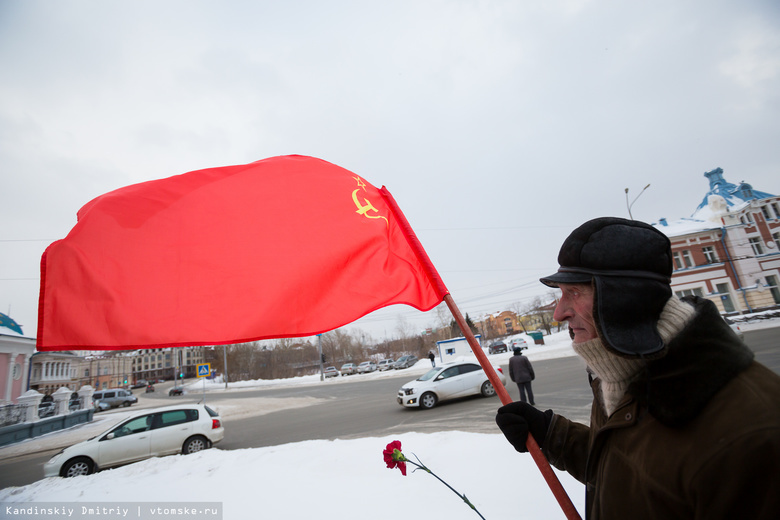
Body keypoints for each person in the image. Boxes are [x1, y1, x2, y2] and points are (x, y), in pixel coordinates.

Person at [495, 217, 780, 519]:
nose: (558, 313)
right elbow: (625, 468)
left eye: (574, 293)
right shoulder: (619, 375)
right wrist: (553, 435)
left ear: (624, 300)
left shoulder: (752, 433)